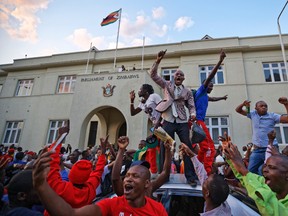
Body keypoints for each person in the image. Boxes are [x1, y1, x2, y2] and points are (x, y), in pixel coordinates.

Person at [33, 147, 168, 216]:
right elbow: (71, 214)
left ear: (147, 184)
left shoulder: (158, 209)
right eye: (127, 175)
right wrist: (41, 186)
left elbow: (165, 173)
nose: (129, 179)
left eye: (135, 176)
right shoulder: (111, 205)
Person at [150, 49, 197, 186]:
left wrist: (193, 115)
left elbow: (191, 106)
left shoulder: (187, 91)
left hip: (182, 121)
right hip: (168, 120)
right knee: (165, 147)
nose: (178, 76)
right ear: (173, 77)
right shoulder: (166, 85)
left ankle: (191, 176)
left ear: (183, 79)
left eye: (181, 75)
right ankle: (163, 175)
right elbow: (153, 75)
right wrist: (158, 60)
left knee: (187, 146)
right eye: (177, 74)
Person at [44, 126, 107, 214]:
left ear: (72, 173)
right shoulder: (90, 189)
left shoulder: (60, 188)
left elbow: (52, 161)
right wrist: (103, 152)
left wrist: (60, 137)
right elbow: (98, 171)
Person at [223, 139, 288, 215]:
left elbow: (275, 211)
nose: (265, 170)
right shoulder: (264, 182)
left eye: (271, 167)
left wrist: (244, 170)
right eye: (265, 166)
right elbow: (246, 178)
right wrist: (231, 157)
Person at [193, 50, 226, 175]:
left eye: (212, 87)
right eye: (209, 86)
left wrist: (222, 98)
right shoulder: (200, 91)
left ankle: (199, 164)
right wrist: (220, 61)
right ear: (204, 85)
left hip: (198, 122)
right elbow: (210, 77)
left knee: (204, 148)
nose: (211, 88)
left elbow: (212, 99)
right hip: (197, 122)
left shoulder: (205, 96)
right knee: (210, 148)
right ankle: (206, 172)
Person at [235, 97, 288, 175]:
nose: (264, 107)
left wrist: (286, 104)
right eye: (261, 106)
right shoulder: (253, 114)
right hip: (257, 150)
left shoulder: (272, 116)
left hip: (270, 149)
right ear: (256, 108)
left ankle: (268, 186)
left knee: (265, 170)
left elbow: (287, 119)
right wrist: (243, 104)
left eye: (266, 106)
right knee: (250, 171)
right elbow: (238, 110)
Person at [180, 143, 231, 215]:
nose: (203, 180)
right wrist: (191, 154)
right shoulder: (223, 204)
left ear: (207, 193)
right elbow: (202, 174)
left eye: (205, 182)